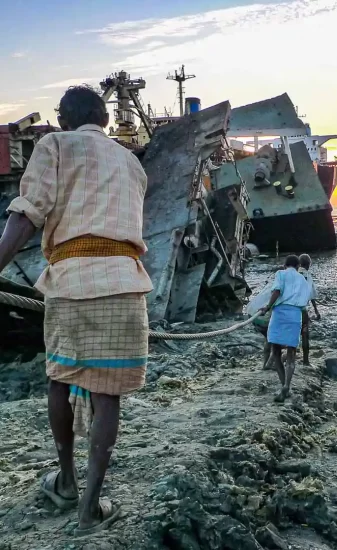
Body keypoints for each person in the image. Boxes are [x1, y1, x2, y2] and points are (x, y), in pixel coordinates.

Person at [0, 86, 153, 535]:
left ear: (63, 119)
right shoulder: (132, 162)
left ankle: (65, 480)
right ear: (105, 119)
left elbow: (27, 214)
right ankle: (90, 509)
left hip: (71, 281)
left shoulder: (55, 144)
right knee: (108, 396)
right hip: (126, 283)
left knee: (60, 378)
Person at [260, 255, 310, 402]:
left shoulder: (280, 274)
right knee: (291, 354)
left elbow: (277, 291)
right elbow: (304, 303)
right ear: (297, 266)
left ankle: (283, 385)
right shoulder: (302, 279)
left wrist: (268, 307)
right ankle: (287, 385)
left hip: (280, 314)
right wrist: (306, 323)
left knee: (276, 351)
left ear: (285, 265)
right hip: (295, 315)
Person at [249, 266, 285, 369]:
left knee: (267, 340)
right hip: (266, 319)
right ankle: (272, 364)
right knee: (277, 342)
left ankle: (265, 364)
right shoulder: (281, 288)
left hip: (254, 316)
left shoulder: (270, 285)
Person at [298, 254, 321, 366]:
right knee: (305, 334)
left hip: (289, 309)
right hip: (302, 310)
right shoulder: (307, 275)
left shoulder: (294, 274)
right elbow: (312, 295)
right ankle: (306, 361)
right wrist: (316, 311)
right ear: (309, 265)